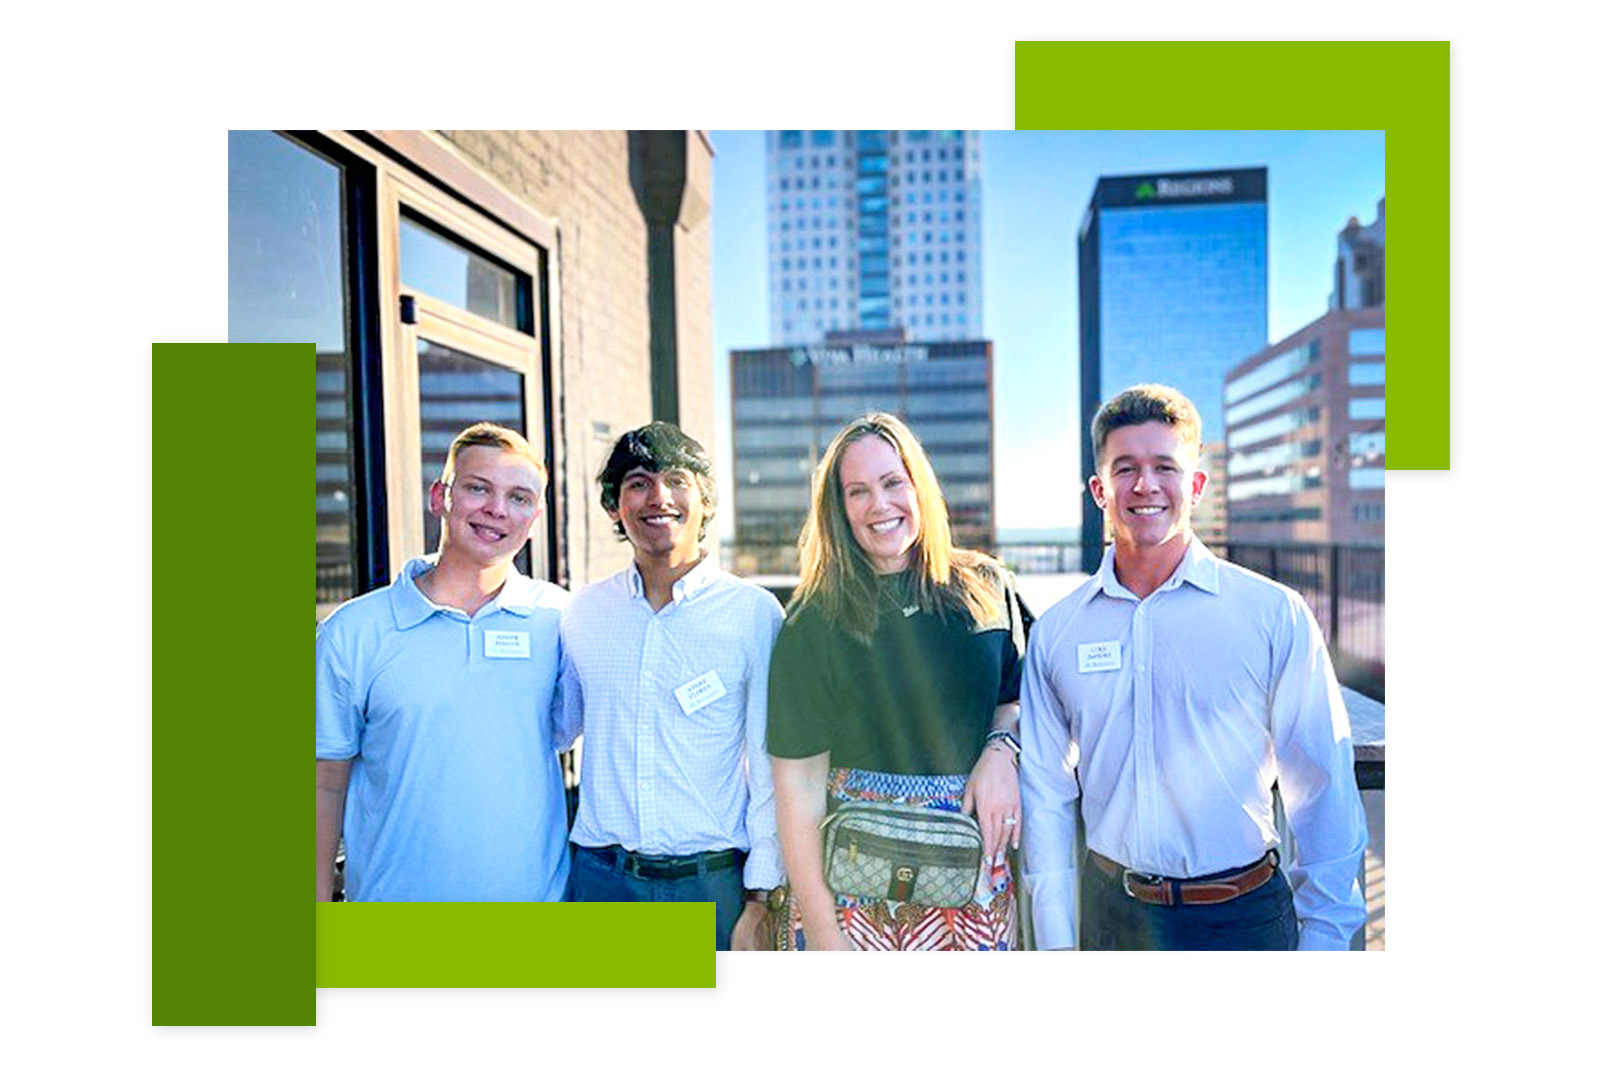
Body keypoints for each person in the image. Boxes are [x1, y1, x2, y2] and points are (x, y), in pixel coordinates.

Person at [1020, 384, 1368, 950]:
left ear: (1197, 485)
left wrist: (1326, 941)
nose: (1146, 484)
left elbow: (1321, 785)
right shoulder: (1058, 633)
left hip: (1242, 921)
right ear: (1099, 491)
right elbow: (1046, 798)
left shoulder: (1272, 615)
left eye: (1165, 466)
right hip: (1113, 923)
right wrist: (1057, 943)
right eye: (1125, 468)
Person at [767, 413, 1026, 951]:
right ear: (838, 510)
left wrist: (1001, 750)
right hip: (852, 898)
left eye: (891, 483)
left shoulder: (986, 590)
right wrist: (821, 932)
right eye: (857, 492)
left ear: (918, 486)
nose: (879, 506)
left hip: (972, 893)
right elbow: (798, 791)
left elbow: (1023, 699)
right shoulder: (812, 622)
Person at [315, 423, 571, 902]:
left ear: (534, 519)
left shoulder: (561, 620)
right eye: (478, 488)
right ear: (440, 497)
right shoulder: (353, 632)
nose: (497, 509)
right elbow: (323, 785)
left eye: (518, 497)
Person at [560, 422, 785, 950]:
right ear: (615, 506)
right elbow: (552, 728)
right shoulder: (583, 613)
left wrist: (760, 895)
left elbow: (771, 761)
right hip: (601, 882)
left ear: (704, 501)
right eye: (638, 482)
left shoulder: (753, 615)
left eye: (676, 479)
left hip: (709, 886)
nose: (658, 497)